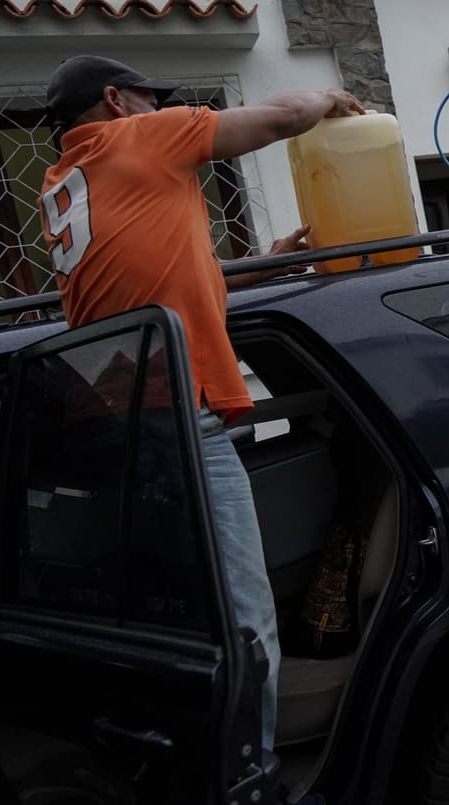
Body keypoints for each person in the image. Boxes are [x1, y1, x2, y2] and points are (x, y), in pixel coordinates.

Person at [39, 55, 365, 761]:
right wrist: (328, 96)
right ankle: (254, 774)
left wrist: (264, 266)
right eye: (151, 98)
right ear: (117, 100)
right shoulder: (140, 138)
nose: (162, 110)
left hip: (111, 427)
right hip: (176, 422)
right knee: (246, 623)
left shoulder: (68, 180)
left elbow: (156, 270)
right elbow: (281, 118)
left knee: (170, 618)